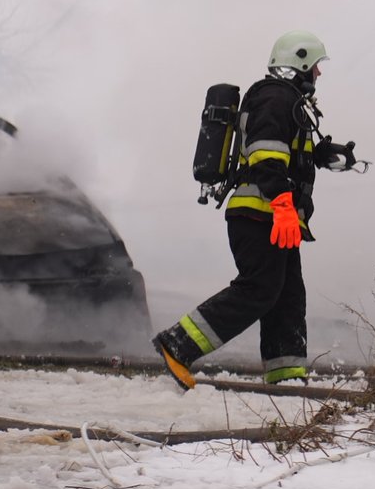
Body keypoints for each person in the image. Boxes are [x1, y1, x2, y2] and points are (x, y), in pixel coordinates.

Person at [152, 30, 358, 390]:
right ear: (298, 64)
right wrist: (283, 204)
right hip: (259, 214)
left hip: (276, 217)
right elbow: (265, 155)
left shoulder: (286, 101)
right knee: (258, 289)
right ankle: (177, 344)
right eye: (315, 66)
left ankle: (286, 376)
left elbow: (286, 151)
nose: (318, 74)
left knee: (287, 296)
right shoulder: (274, 97)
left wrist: (324, 154)